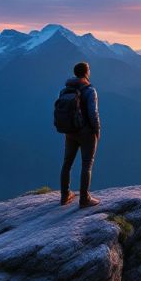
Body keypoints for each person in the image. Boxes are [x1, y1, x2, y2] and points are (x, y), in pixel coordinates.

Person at [59, 62, 101, 208]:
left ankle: (65, 196)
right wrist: (97, 130)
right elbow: (93, 113)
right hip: (86, 133)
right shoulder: (90, 90)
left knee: (67, 163)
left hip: (69, 131)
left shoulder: (65, 90)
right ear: (85, 72)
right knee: (86, 164)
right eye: (89, 69)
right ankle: (84, 199)